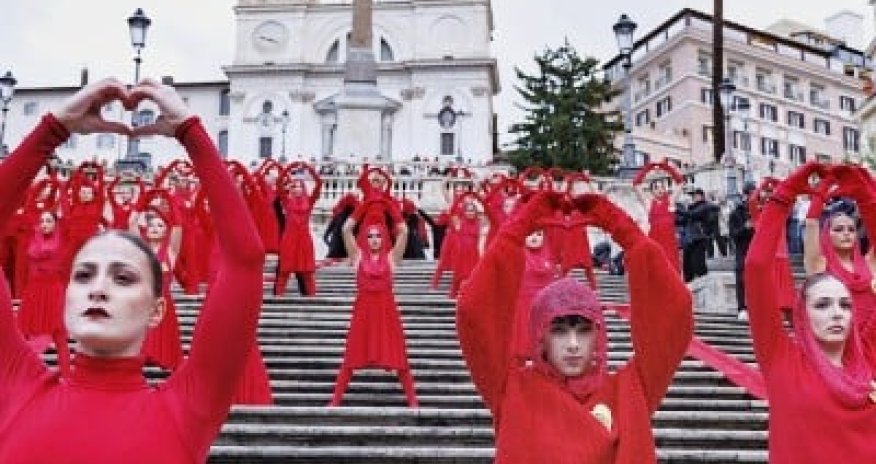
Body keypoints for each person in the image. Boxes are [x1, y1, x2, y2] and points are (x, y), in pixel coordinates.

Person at [0, 77, 265, 462]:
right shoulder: (17, 385)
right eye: (83, 275)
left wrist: (190, 132)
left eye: (123, 278)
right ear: (67, 296)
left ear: (158, 310)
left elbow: (245, 261)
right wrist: (54, 128)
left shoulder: (187, 409)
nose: (98, 288)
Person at [457, 192, 692, 462]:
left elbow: (675, 312)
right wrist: (517, 229)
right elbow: (474, 313)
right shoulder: (512, 389)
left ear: (599, 336)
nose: (573, 344)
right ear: (541, 337)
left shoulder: (630, 390)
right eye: (559, 331)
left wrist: (626, 232)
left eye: (583, 330)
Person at [745, 162, 876, 463]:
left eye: (845, 305)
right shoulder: (782, 360)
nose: (837, 313)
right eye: (822, 304)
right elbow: (756, 269)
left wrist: (867, 200)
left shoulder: (868, 356)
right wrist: (784, 196)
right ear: (802, 315)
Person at [329, 199, 418, 408]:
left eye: (378, 235)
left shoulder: (391, 258)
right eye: (370, 236)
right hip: (363, 314)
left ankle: (413, 402)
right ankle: (335, 401)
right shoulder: (358, 257)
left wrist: (389, 206)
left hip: (386, 314)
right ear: (365, 239)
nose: (374, 239)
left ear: (384, 237)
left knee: (399, 358)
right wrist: (365, 205)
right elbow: (346, 229)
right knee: (351, 357)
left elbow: (404, 231)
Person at [16, 210, 72, 376]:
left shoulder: (62, 238)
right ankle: (24, 375)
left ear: (56, 223)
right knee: (24, 335)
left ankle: (66, 376)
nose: (44, 224)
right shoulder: (33, 238)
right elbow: (25, 213)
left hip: (53, 291)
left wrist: (60, 193)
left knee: (59, 335)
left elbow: (67, 217)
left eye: (48, 221)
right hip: (34, 291)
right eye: (41, 221)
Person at [275, 163, 322, 296]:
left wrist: (309, 169)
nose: (297, 188)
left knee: (307, 273)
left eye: (300, 186)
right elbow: (279, 182)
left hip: (304, 239)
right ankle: (278, 298)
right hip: (289, 239)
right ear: (291, 188)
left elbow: (319, 183)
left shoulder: (310, 201)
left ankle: (313, 300)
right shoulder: (286, 200)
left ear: (303, 188)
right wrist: (290, 167)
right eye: (294, 186)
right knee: (284, 272)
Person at [729, 182, 756, 320]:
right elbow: (733, 235)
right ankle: (742, 308)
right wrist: (745, 227)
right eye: (751, 193)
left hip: (757, 250)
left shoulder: (759, 210)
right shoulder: (735, 213)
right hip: (743, 250)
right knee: (741, 279)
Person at [680, 188, 713, 282]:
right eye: (693, 195)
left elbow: (693, 214)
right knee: (687, 267)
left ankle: (706, 285)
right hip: (689, 240)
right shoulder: (690, 208)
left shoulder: (705, 206)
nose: (693, 197)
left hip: (699, 239)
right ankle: (689, 287)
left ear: (701, 196)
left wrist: (677, 210)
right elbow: (682, 221)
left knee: (699, 266)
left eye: (696, 195)